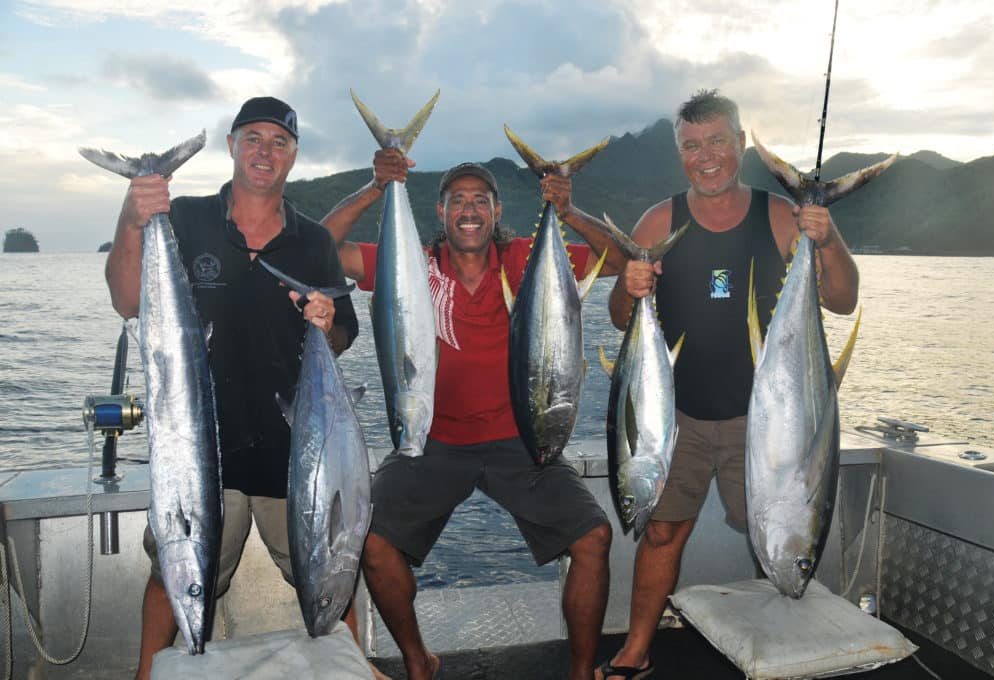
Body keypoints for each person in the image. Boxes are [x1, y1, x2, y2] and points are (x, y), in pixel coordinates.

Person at [321, 150, 626, 680]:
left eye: (479, 200)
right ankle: (420, 661)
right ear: (439, 212)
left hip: (523, 438)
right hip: (432, 440)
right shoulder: (410, 265)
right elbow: (321, 249)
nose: (468, 209)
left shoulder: (527, 258)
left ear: (496, 210)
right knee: (371, 542)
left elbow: (618, 260)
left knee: (594, 537)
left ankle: (581, 673)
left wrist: (570, 211)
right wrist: (376, 187)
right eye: (457, 200)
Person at [592, 89, 860, 680]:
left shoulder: (781, 216)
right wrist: (629, 283)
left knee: (777, 531)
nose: (705, 155)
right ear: (679, 153)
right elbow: (619, 315)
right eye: (691, 145)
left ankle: (790, 646)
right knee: (661, 530)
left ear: (740, 143)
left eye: (717, 141)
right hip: (676, 415)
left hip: (768, 421)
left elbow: (842, 300)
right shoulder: (660, 221)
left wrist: (828, 237)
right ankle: (637, 649)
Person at [104, 96, 363, 680]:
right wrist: (133, 216)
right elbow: (126, 300)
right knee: (172, 573)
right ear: (231, 144)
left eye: (279, 142)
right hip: (197, 454)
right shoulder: (187, 218)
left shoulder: (314, 241)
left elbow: (344, 332)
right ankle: (146, 674)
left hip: (293, 449)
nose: (264, 151)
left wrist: (328, 321)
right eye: (253, 138)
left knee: (327, 569)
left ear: (293, 156)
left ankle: (358, 665)